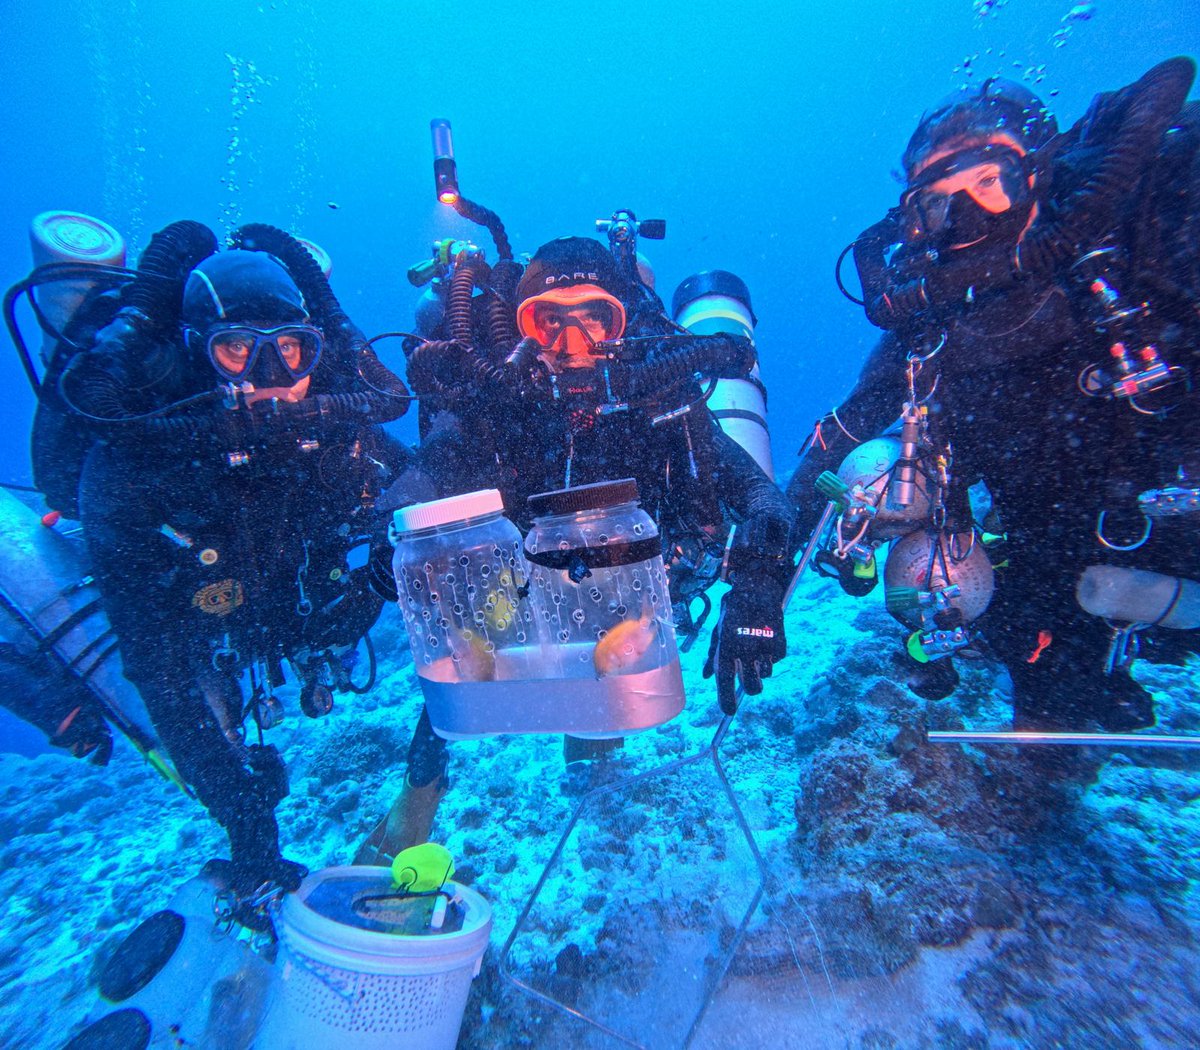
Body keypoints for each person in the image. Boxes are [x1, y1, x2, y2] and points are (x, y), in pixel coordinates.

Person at [787, 57, 1199, 731]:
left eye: (990, 180)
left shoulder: (1136, 257)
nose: (970, 213)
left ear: (1040, 175)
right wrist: (761, 573)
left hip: (1171, 501)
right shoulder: (927, 328)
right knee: (1052, 694)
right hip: (1048, 542)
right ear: (915, 220)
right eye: (941, 201)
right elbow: (839, 436)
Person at [357, 235, 795, 862]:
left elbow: (762, 497)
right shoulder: (499, 401)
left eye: (596, 317)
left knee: (608, 678)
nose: (572, 342)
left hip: (637, 590)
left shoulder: (659, 397)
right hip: (521, 588)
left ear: (624, 320)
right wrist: (386, 530)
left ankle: (593, 745)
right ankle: (418, 794)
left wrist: (756, 585)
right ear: (521, 327)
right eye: (549, 320)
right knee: (466, 656)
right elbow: (428, 469)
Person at [40, 221, 408, 920]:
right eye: (238, 350)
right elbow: (157, 668)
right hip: (192, 622)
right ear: (195, 354)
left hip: (291, 611)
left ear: (315, 350)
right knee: (168, 692)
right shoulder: (130, 468)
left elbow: (418, 490)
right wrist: (246, 822)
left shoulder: (337, 428)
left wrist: (385, 573)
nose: (271, 379)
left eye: (291, 350)